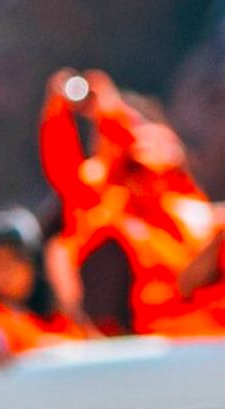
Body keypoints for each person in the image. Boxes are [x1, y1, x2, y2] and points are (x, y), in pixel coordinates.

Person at [40, 68, 221, 336]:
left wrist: (111, 108)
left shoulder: (189, 206)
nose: (150, 179)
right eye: (135, 169)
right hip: (140, 337)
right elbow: (64, 169)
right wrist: (65, 108)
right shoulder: (107, 205)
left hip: (197, 331)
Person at [0, 207, 88, 354]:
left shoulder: (55, 321)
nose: (6, 270)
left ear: (35, 266)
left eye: (16, 259)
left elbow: (86, 352)